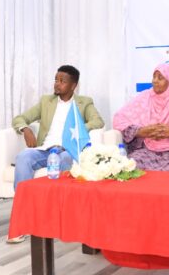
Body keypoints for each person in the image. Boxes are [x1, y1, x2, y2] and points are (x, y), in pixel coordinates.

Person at [8, 64, 104, 243]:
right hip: (45, 149)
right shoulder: (47, 101)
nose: (57, 84)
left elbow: (98, 121)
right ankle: (22, 218)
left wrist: (76, 131)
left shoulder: (84, 102)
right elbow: (19, 118)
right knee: (23, 157)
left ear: (73, 85)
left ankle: (53, 217)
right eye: (56, 80)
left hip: (66, 150)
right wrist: (26, 129)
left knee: (66, 159)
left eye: (62, 81)